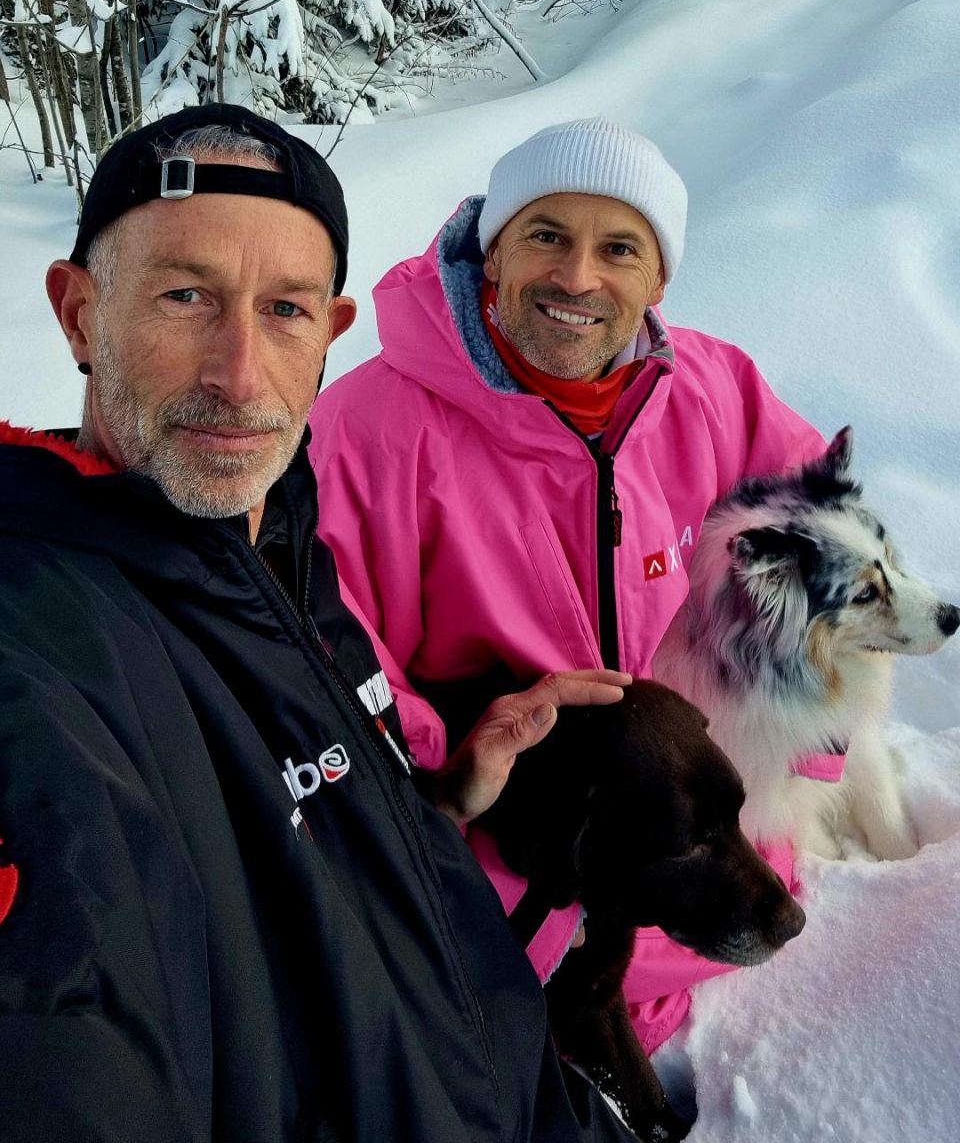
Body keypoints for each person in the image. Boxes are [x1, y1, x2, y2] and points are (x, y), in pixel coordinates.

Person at [0, 103, 643, 1143]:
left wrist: (438, 802)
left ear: (331, 335)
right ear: (78, 315)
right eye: (183, 296)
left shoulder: (279, 544)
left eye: (286, 310)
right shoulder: (39, 643)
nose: (240, 374)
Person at [307, 117, 827, 1055]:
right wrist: (453, 781)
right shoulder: (368, 429)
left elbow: (823, 553)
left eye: (619, 248)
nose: (577, 278)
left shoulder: (713, 391)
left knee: (746, 902)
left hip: (686, 813)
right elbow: (320, 641)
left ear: (658, 281)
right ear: (493, 252)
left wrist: (797, 735)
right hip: (504, 842)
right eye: (546, 235)